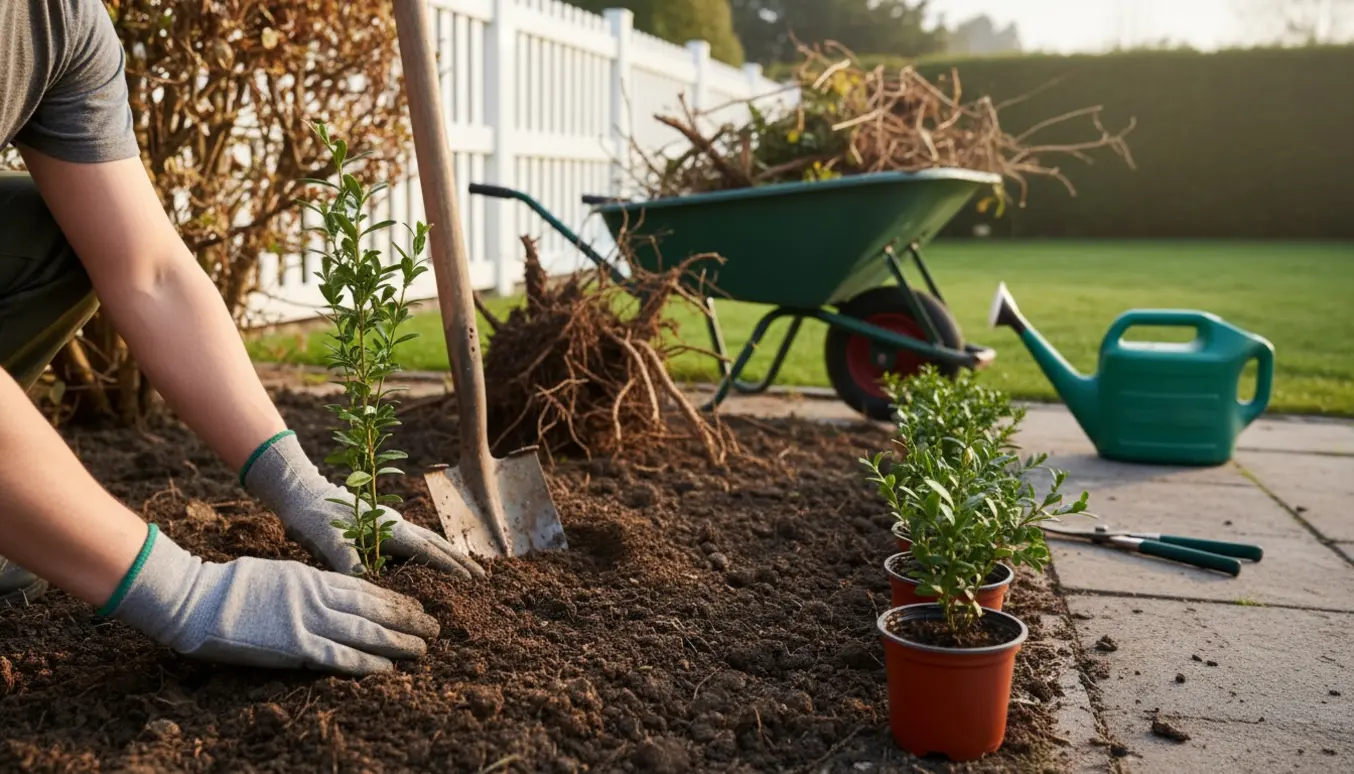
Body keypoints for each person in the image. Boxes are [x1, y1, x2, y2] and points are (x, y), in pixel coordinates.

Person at [0, 0, 485, 677]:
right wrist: (185, 591)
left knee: (55, 235)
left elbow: (150, 273)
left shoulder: (61, 22)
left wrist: (298, 484)